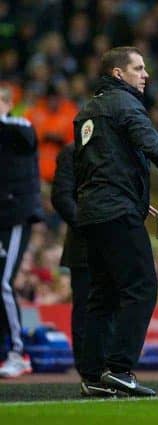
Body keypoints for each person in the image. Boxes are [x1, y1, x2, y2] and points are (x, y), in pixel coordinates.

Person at [73, 46, 158, 397]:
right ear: (119, 74)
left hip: (93, 212)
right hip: (115, 210)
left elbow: (89, 167)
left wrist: (133, 199)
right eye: (138, 68)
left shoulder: (86, 112)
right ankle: (120, 368)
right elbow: (148, 141)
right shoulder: (125, 104)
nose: (145, 74)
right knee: (141, 288)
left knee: (102, 295)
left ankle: (92, 376)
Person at [51, 143, 113, 380]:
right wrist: (88, 223)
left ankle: (109, 367)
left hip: (114, 242)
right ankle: (89, 371)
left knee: (111, 306)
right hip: (84, 244)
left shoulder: (114, 150)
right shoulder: (72, 152)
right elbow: (61, 196)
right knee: (86, 308)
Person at [0, 86, 44, 378]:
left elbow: (26, 138)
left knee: (3, 282)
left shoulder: (19, 124)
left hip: (13, 215)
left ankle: (19, 353)